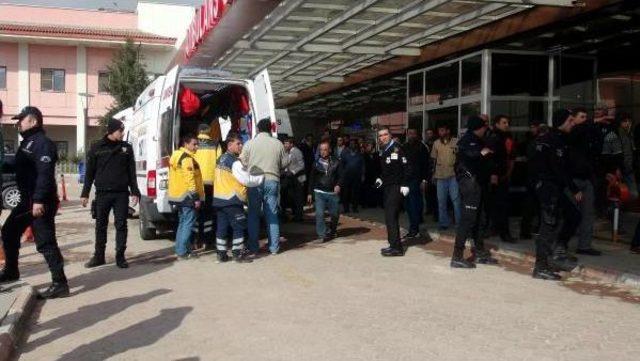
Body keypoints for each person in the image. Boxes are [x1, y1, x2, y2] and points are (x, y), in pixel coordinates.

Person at [0, 106, 68, 299]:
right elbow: (19, 165)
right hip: (27, 201)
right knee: (9, 231)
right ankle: (11, 270)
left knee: (45, 242)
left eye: (21, 119)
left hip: (40, 202)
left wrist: (38, 200)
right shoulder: (28, 143)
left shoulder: (42, 143)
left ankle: (60, 282)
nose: (18, 123)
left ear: (33, 121)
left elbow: (45, 175)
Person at [81, 119, 141, 269]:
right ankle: (99, 256)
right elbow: (89, 173)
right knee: (100, 226)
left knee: (121, 225)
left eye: (123, 130)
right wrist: (85, 193)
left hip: (121, 194)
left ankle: (120, 257)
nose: (122, 133)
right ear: (111, 131)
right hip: (102, 194)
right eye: (120, 131)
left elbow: (131, 172)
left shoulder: (126, 148)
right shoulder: (96, 147)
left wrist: (135, 191)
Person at [530, 109, 583, 280]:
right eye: (571, 120)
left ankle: (557, 251)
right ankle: (541, 266)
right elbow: (558, 168)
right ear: (564, 121)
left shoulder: (552, 138)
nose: (573, 124)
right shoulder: (553, 140)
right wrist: (574, 188)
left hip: (550, 187)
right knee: (548, 225)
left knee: (573, 215)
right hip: (549, 188)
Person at [450, 116, 498, 268]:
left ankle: (480, 253)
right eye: (485, 126)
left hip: (479, 184)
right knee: (468, 219)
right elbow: (472, 155)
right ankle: (457, 256)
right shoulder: (467, 140)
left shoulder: (479, 140)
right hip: (470, 184)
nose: (486, 129)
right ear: (479, 127)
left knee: (479, 219)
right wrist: (484, 151)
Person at [240, 118, 289, 255]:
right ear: (271, 129)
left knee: (253, 215)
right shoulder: (278, 144)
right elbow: (285, 163)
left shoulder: (250, 143)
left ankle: (254, 247)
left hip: (255, 181)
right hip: (272, 180)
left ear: (258, 129)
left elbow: (242, 162)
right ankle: (274, 248)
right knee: (272, 215)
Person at [213, 133, 263, 263]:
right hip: (232, 199)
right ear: (229, 145)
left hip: (219, 200)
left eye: (241, 143)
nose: (241, 146)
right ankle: (238, 253)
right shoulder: (234, 162)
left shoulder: (220, 159)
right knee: (239, 226)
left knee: (222, 228)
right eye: (238, 144)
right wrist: (259, 178)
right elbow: (246, 180)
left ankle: (221, 254)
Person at [568, 108, 601, 256]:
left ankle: (584, 246)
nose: (584, 119)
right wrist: (592, 121)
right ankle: (558, 244)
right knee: (569, 213)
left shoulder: (588, 133)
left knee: (588, 213)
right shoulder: (571, 132)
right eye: (581, 117)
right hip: (572, 179)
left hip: (586, 178)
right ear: (573, 119)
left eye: (586, 117)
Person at [169, 134, 204, 259]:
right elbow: (190, 178)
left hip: (178, 196)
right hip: (187, 196)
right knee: (188, 224)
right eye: (194, 144)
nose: (196, 146)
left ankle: (181, 249)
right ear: (186, 144)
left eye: (197, 144)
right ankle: (182, 252)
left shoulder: (176, 155)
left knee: (182, 223)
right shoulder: (186, 158)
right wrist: (195, 197)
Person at [376, 127, 410, 257]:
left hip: (396, 186)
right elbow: (387, 169)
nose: (382, 137)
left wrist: (405, 184)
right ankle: (393, 244)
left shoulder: (398, 148)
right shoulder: (385, 149)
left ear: (390, 135)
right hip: (388, 186)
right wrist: (381, 178)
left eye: (385, 135)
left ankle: (397, 248)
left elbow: (407, 167)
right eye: (380, 136)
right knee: (389, 217)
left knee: (391, 216)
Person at [486, 115, 516, 243]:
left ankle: (499, 230)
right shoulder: (493, 137)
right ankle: (500, 231)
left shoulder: (507, 138)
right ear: (497, 124)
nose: (507, 124)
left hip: (503, 176)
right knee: (496, 205)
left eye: (508, 122)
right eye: (504, 122)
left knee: (502, 205)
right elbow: (487, 155)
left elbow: (510, 157)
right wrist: (492, 173)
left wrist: (508, 172)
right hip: (494, 177)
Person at [193, 124, 223, 250]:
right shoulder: (216, 144)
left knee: (195, 213)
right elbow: (220, 162)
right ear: (209, 132)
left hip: (196, 183)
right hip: (211, 183)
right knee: (208, 213)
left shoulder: (193, 143)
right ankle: (208, 241)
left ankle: (195, 240)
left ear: (198, 131)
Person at [307, 141, 342, 242]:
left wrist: (338, 185)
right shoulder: (316, 163)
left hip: (332, 193)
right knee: (319, 214)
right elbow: (311, 178)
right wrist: (309, 192)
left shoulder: (336, 162)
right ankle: (321, 235)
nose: (322, 152)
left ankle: (333, 230)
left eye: (325, 149)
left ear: (329, 150)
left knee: (335, 214)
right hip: (319, 192)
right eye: (321, 150)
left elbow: (341, 176)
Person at [430, 123, 461, 231]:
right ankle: (443, 222)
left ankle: (459, 223)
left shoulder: (456, 142)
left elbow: (460, 159)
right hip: (440, 176)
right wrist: (433, 174)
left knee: (456, 201)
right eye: (440, 131)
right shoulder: (436, 143)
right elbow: (433, 160)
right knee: (441, 201)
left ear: (448, 131)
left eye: (443, 130)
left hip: (453, 176)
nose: (441, 133)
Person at [518, 119, 545, 240]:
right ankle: (531, 229)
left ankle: (528, 229)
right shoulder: (536, 143)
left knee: (532, 205)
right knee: (537, 205)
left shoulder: (532, 142)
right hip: (537, 177)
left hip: (533, 177)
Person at [403, 128, 429, 237]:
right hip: (405, 180)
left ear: (417, 135)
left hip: (416, 179)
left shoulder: (421, 147)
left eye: (413, 133)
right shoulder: (404, 147)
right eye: (409, 133)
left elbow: (426, 165)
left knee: (414, 204)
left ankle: (414, 229)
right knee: (407, 205)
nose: (411, 135)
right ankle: (415, 224)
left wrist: (424, 180)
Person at [282, 137, 306, 222]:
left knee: (298, 198)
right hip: (291, 179)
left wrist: (293, 171)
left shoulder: (297, 151)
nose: (285, 145)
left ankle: (299, 216)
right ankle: (295, 214)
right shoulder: (287, 152)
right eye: (284, 143)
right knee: (293, 197)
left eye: (286, 143)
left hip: (298, 179)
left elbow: (301, 165)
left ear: (291, 144)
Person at [339, 138, 364, 213]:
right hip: (346, 176)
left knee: (355, 193)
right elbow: (341, 165)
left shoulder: (359, 153)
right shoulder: (344, 152)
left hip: (356, 176)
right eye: (351, 143)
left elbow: (362, 165)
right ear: (349, 144)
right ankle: (346, 208)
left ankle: (355, 208)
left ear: (356, 144)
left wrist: (363, 174)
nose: (352, 144)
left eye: (354, 143)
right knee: (345, 193)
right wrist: (341, 175)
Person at [618, 113, 638, 199]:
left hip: (628, 167)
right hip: (623, 168)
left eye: (629, 122)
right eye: (626, 121)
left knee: (633, 193)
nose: (628, 124)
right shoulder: (620, 134)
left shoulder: (629, 134)